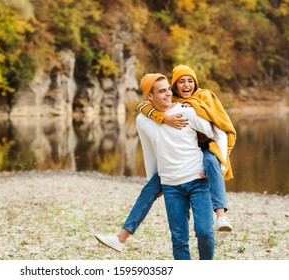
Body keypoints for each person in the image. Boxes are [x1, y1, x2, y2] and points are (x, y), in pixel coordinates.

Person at [95, 65, 235, 253]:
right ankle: (121, 239)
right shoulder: (143, 120)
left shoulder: (189, 110)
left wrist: (219, 162)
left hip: (198, 180)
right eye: (162, 91)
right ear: (150, 96)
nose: (168, 94)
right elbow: (149, 152)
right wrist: (154, 181)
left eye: (168, 89)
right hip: (171, 186)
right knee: (178, 240)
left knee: (204, 233)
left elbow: (218, 133)